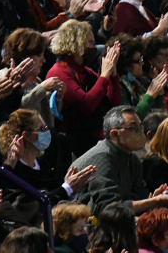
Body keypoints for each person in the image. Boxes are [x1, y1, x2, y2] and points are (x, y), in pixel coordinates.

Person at [69, 105, 168, 214]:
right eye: (132, 128)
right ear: (115, 134)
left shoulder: (132, 159)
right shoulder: (102, 159)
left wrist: (153, 199)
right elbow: (109, 208)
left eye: (140, 126)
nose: (140, 132)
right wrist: (153, 202)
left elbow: (139, 195)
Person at [47, 20, 121, 155]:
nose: (93, 47)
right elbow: (86, 104)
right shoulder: (60, 72)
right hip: (75, 143)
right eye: (90, 43)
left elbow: (113, 104)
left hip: (93, 136)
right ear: (77, 44)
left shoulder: (84, 71)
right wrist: (104, 76)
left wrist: (113, 75)